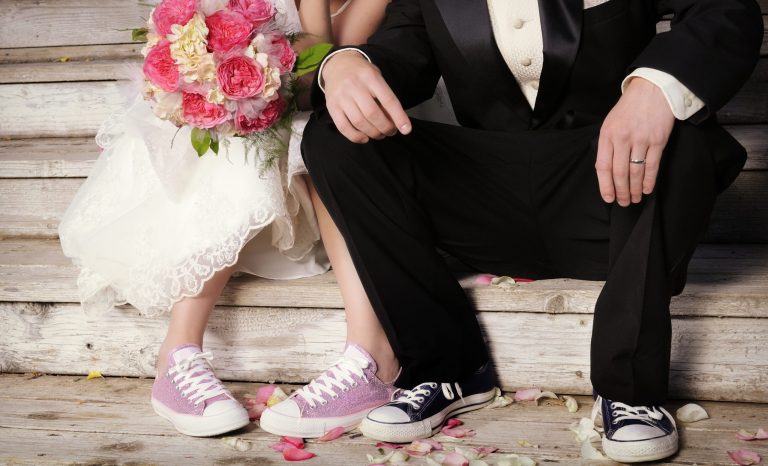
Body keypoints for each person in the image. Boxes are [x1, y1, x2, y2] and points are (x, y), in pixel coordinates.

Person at [294, 0, 763, 462]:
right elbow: (400, 54)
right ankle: (446, 368)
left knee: (687, 132)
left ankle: (631, 391)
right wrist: (344, 64)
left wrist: (652, 89)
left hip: (613, 192)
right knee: (333, 135)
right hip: (484, 203)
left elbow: (724, 9)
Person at [58, 0, 402, 438]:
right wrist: (207, 68)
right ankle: (178, 354)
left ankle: (367, 358)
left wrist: (260, 64)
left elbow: (329, 56)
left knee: (307, 132)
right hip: (240, 131)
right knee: (229, 130)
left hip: (309, 115)